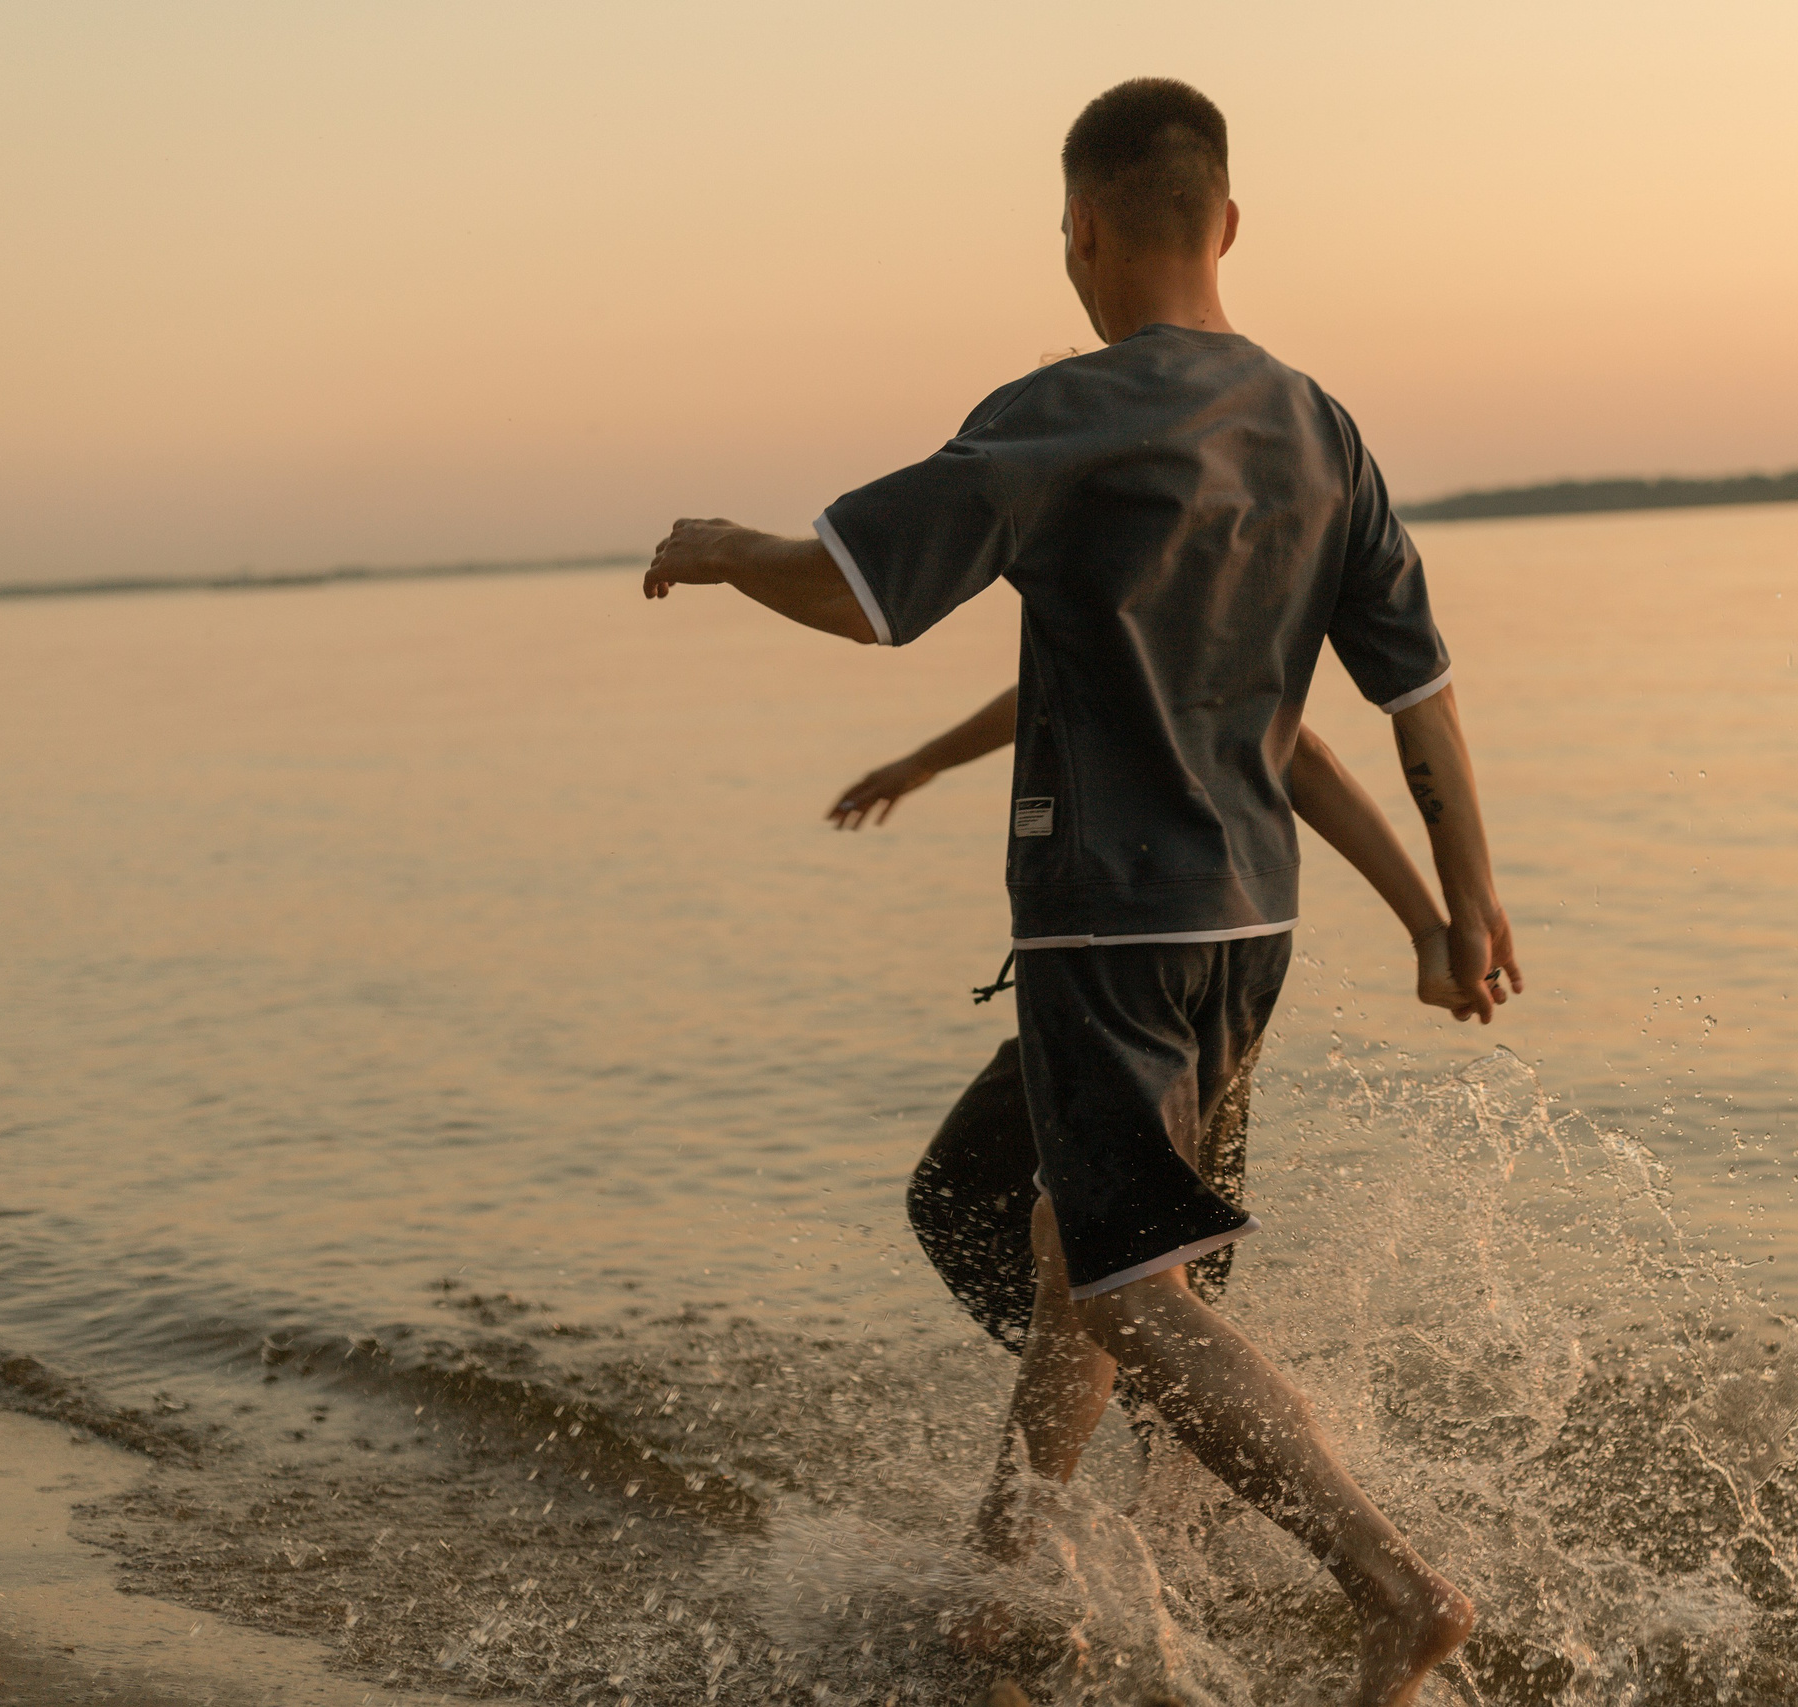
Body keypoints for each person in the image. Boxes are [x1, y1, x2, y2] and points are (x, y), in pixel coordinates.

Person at [643, 77, 1522, 1706]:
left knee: (1125, 1282)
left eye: (1067, 232)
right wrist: (1460, 906)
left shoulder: (1067, 412)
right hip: (1247, 931)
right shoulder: (1320, 430)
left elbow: (857, 590)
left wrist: (721, 545)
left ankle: (1392, 1581)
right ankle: (1006, 1568)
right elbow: (1414, 696)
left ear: (1086, 228)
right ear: (1229, 224)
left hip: (1110, 924)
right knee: (1076, 1248)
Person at [828, 687, 1483, 1352]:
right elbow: (1063, 678)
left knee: (1013, 1213)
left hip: (1141, 958)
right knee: (1133, 1250)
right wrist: (926, 760)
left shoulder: (1179, 631)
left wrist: (1435, 929)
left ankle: (1187, 1391)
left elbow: (1298, 751)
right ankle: (1162, 1388)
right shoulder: (1176, 637)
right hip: (1199, 949)